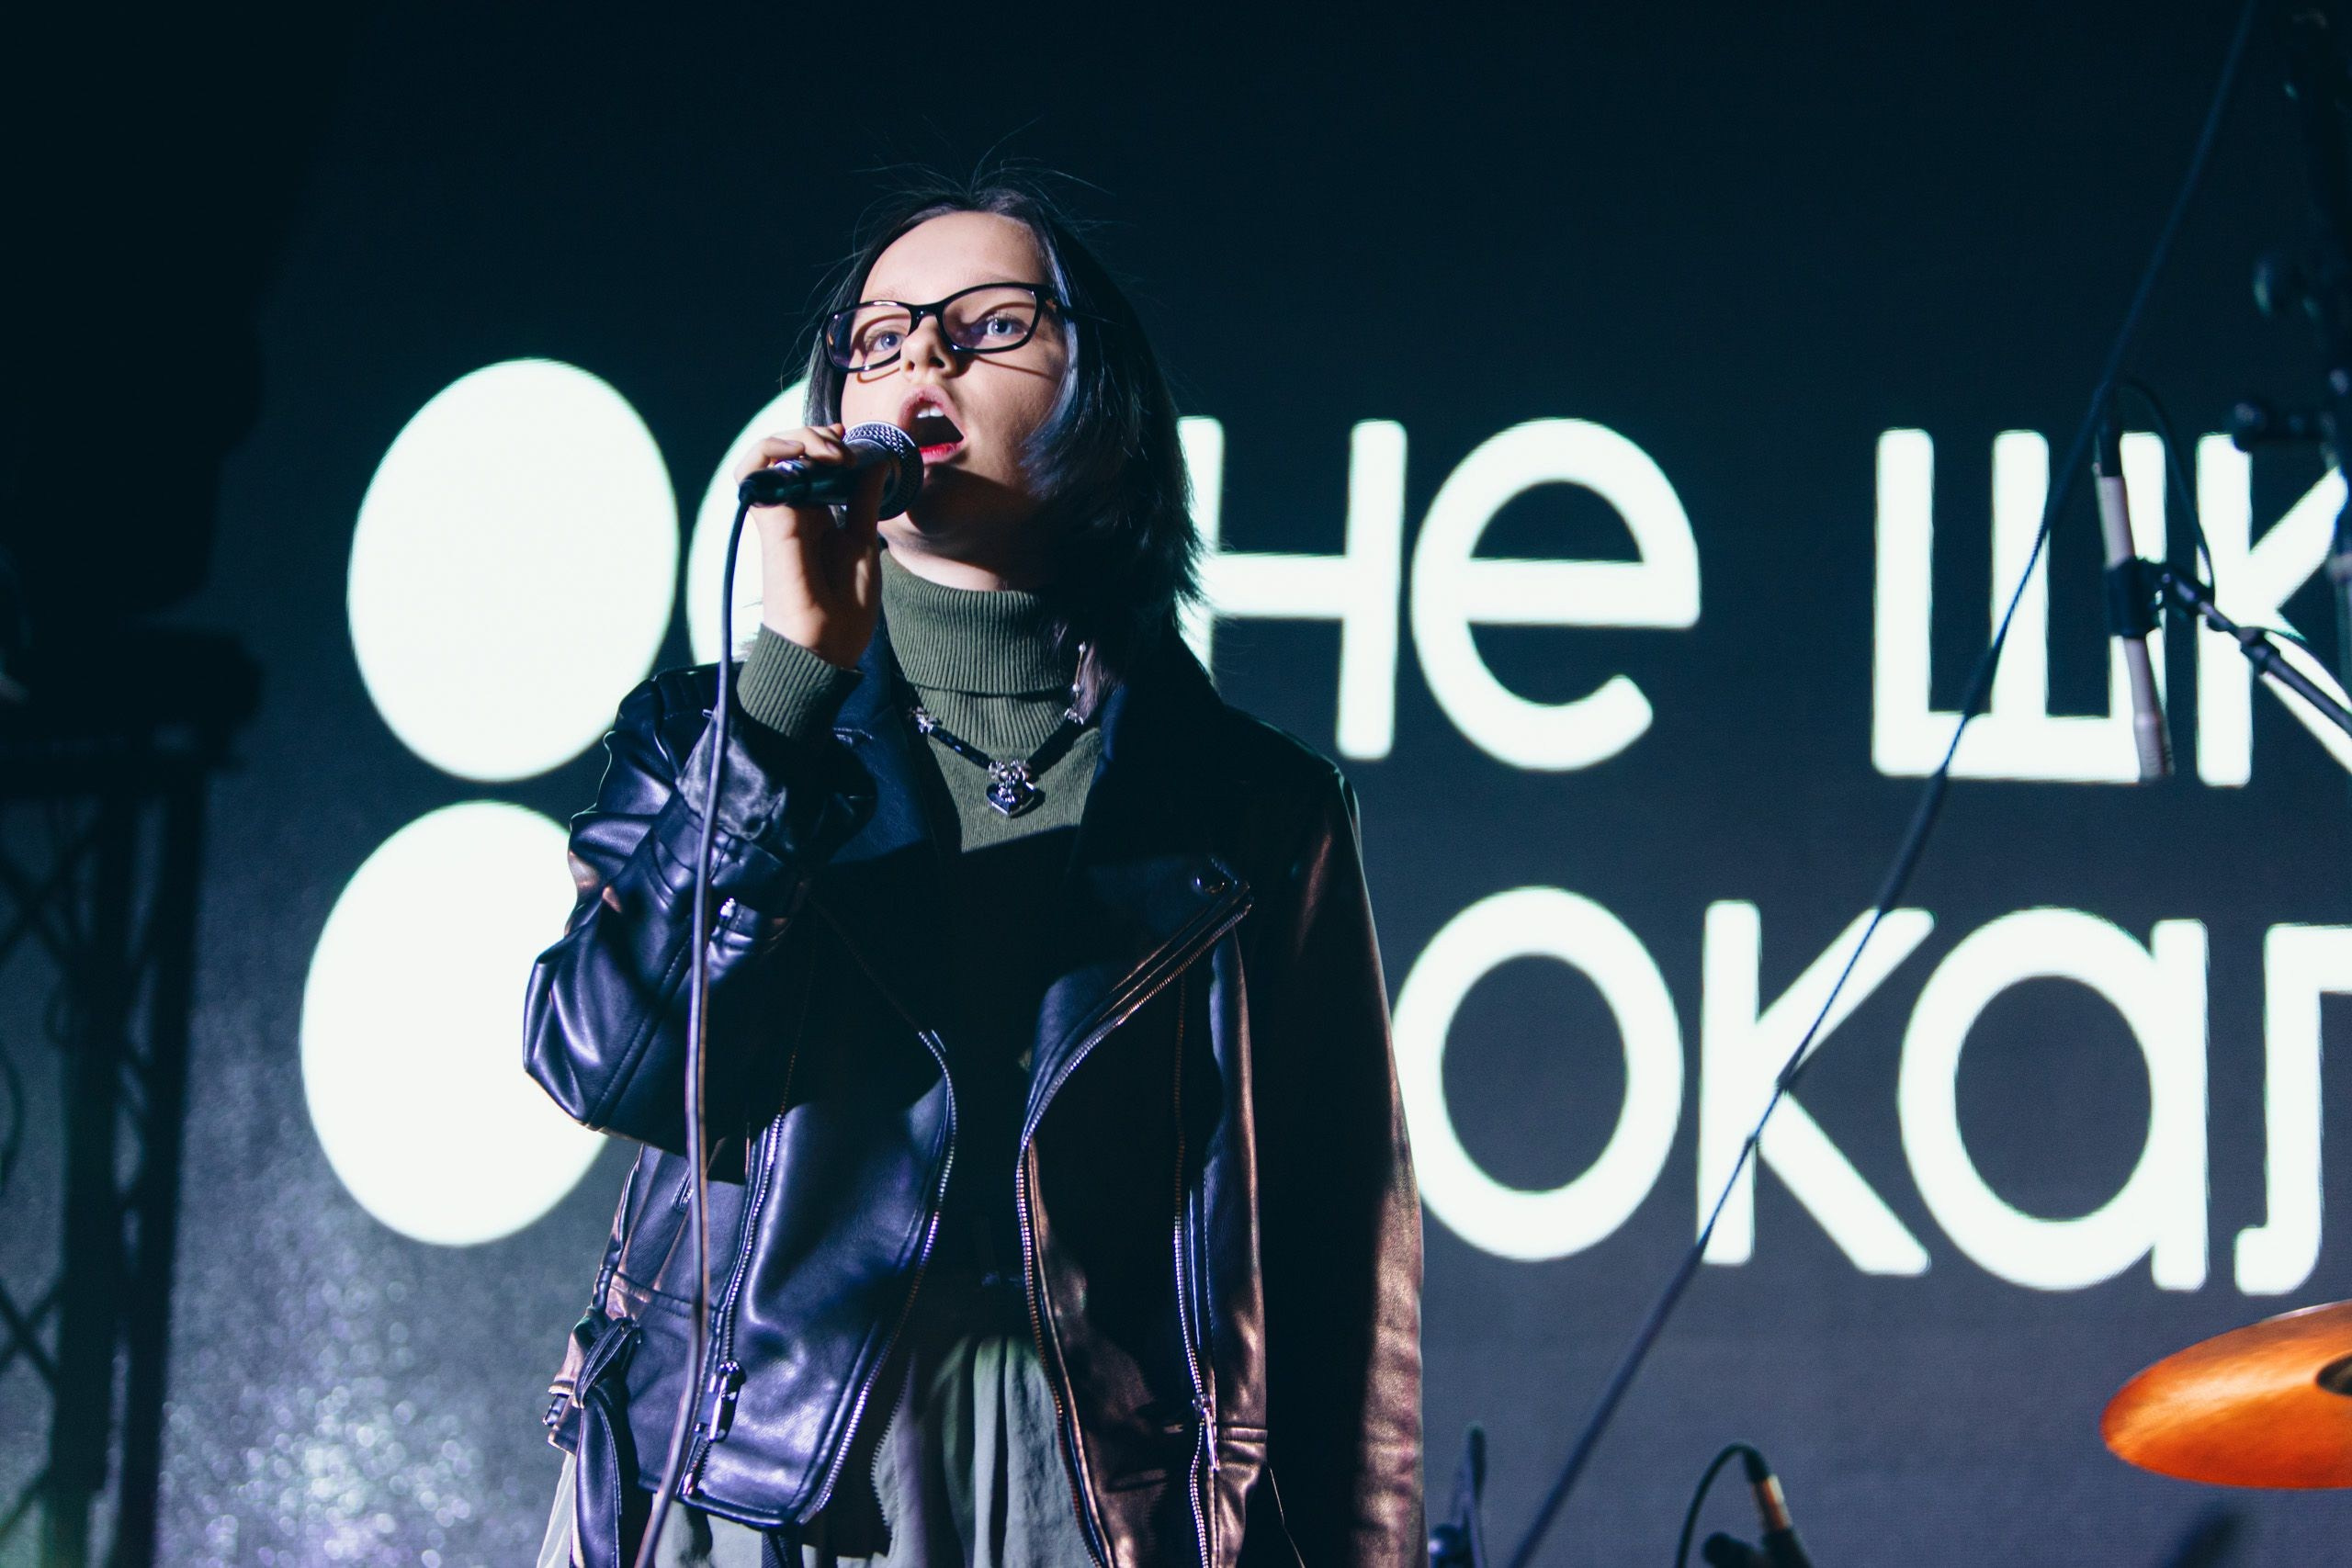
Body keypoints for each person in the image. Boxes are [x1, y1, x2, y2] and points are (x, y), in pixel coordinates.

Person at [524, 175, 1422, 1568]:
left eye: (987, 323)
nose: (921, 356)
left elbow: (1339, 1257)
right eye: (876, 338)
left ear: (1105, 409)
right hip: (767, 1465)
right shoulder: (714, 733)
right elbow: (611, 1065)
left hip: (1107, 1491)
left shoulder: (1260, 807)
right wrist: (789, 693)